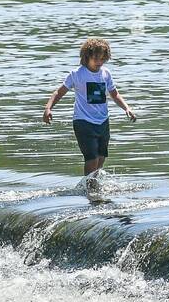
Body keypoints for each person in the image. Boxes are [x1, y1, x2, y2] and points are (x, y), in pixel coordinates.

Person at [44, 37, 136, 191]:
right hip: (83, 121)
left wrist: (126, 108)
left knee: (101, 158)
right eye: (96, 58)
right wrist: (48, 108)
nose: (99, 62)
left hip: (103, 121)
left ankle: (93, 185)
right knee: (91, 158)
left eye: (102, 59)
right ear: (86, 57)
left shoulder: (106, 73)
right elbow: (59, 92)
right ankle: (90, 188)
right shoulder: (77, 74)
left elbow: (115, 94)